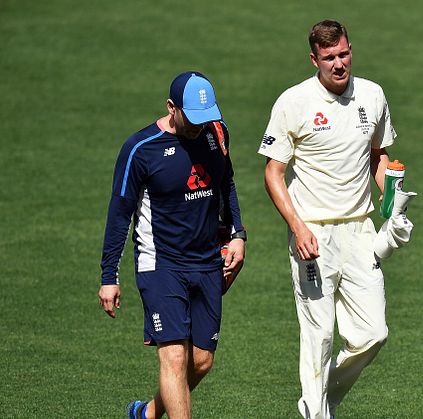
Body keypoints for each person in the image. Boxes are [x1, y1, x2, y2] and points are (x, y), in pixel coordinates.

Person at [258, 20, 396, 419]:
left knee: (373, 333)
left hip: (359, 230)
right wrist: (298, 227)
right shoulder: (293, 102)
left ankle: (318, 400)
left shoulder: (372, 95)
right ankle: (317, 412)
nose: (339, 64)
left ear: (351, 48)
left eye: (344, 54)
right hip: (313, 233)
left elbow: (379, 156)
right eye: (330, 57)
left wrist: (391, 199)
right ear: (314, 59)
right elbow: (273, 173)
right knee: (317, 334)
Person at [97, 71, 246, 419]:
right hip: (161, 264)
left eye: (206, 118)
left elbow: (227, 184)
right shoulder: (140, 149)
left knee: (201, 361)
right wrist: (109, 276)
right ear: (171, 107)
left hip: (208, 261)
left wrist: (238, 235)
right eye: (193, 119)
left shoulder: (216, 132)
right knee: (175, 358)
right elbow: (120, 215)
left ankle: (147, 414)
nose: (200, 127)